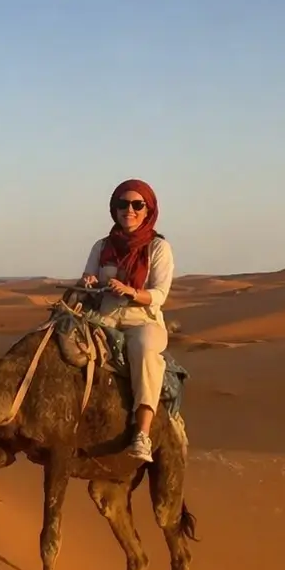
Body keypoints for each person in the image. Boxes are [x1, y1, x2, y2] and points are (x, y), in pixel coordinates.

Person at [79, 179, 175, 462]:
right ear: (114, 208)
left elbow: (159, 294)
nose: (129, 210)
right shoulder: (102, 246)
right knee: (63, 339)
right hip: (104, 316)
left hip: (142, 320)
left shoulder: (158, 248)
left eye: (137, 205)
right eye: (122, 204)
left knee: (144, 349)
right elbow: (88, 283)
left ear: (148, 210)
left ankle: (142, 433)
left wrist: (131, 291)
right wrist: (89, 282)